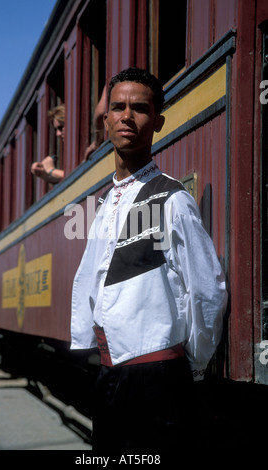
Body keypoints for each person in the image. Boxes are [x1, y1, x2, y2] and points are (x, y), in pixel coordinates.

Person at [70, 67, 228, 452]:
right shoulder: (106, 205)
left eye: (139, 108)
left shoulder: (171, 198)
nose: (127, 116)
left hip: (157, 377)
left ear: (156, 122)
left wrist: (191, 366)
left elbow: (207, 289)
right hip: (111, 375)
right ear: (106, 120)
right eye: (118, 107)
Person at [31, 104, 65, 184]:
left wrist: (51, 170)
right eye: (56, 129)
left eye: (60, 128)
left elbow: (83, 178)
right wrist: (43, 174)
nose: (58, 134)